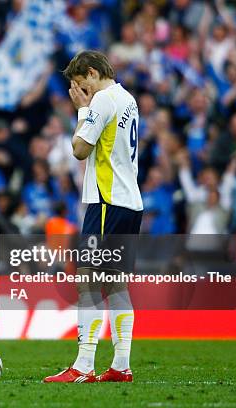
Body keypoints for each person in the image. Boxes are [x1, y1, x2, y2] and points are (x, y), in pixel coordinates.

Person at [44, 51, 143, 383]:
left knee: (86, 279)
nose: (80, 91)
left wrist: (83, 111)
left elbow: (79, 149)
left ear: (90, 72)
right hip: (130, 202)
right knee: (115, 282)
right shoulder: (128, 98)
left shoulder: (101, 100)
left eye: (80, 84)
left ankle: (83, 365)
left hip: (106, 202)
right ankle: (121, 365)